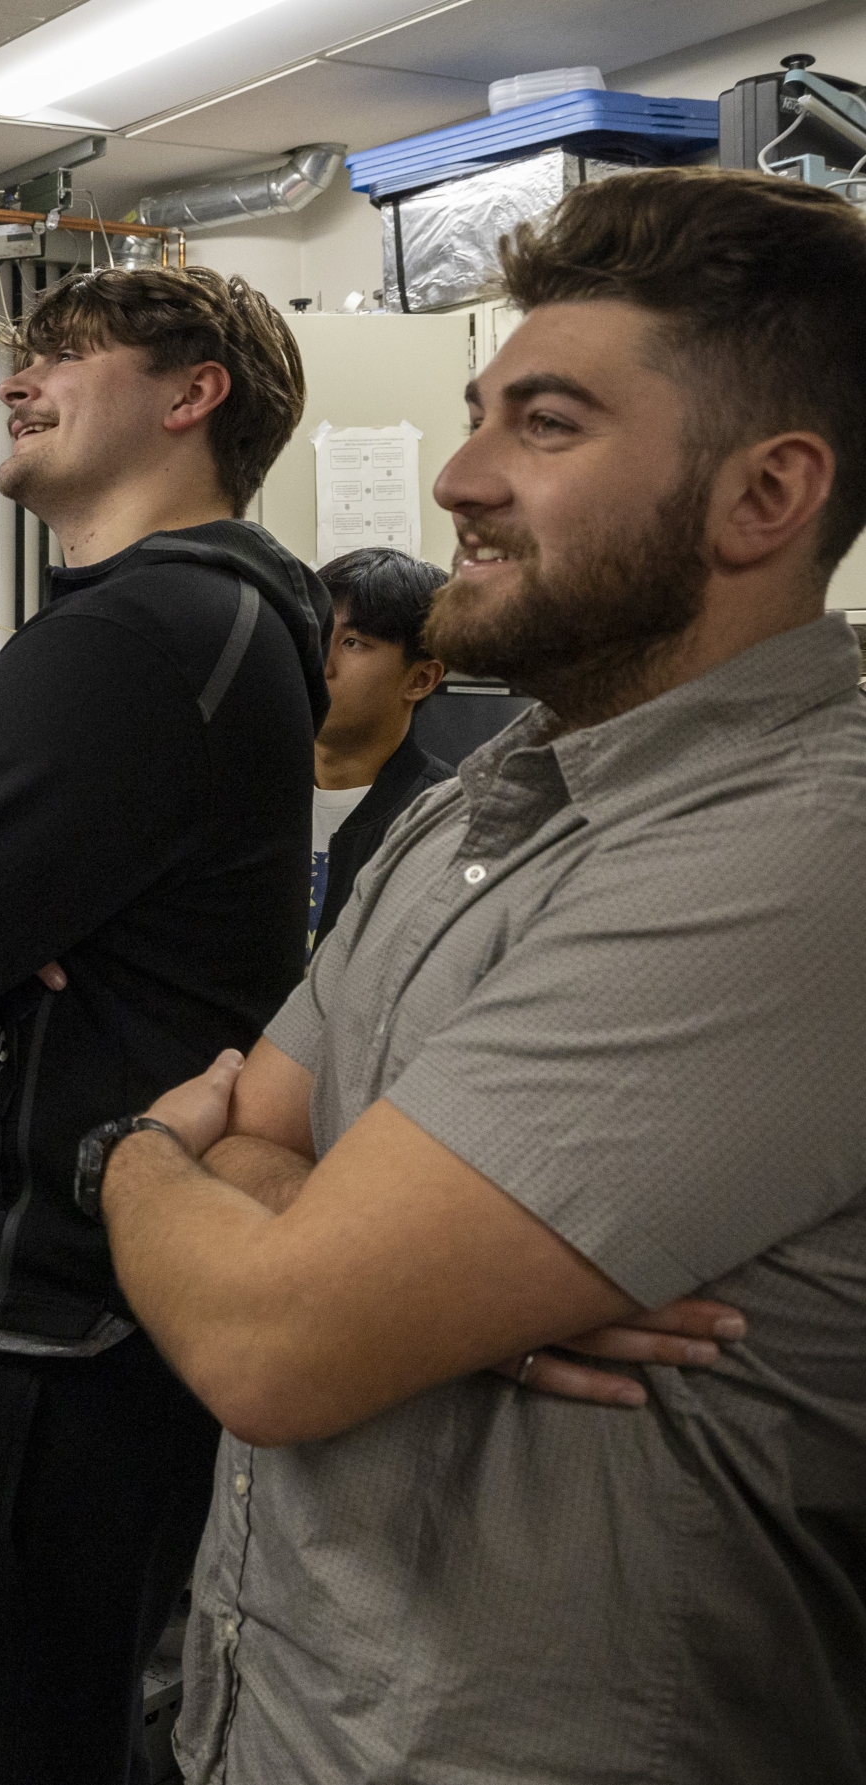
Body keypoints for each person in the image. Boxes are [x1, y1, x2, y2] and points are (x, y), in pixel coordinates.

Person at [94, 166, 866, 1785]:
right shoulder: (487, 791)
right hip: (284, 1701)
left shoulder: (805, 856)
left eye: (551, 424)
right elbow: (281, 1138)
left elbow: (269, 1338)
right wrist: (399, 1283)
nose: (459, 476)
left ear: (765, 495)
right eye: (478, 414)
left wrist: (136, 1159)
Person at [0, 267, 326, 1781]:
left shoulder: (135, 637)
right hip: (86, 1294)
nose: (16, 380)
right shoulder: (213, 621)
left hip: (35, 1316)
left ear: (193, 395)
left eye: (65, 353)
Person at [308, 547, 450, 950]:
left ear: (420, 678)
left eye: (352, 643)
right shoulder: (245, 792)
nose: (322, 664)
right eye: (316, 634)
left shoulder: (443, 823)